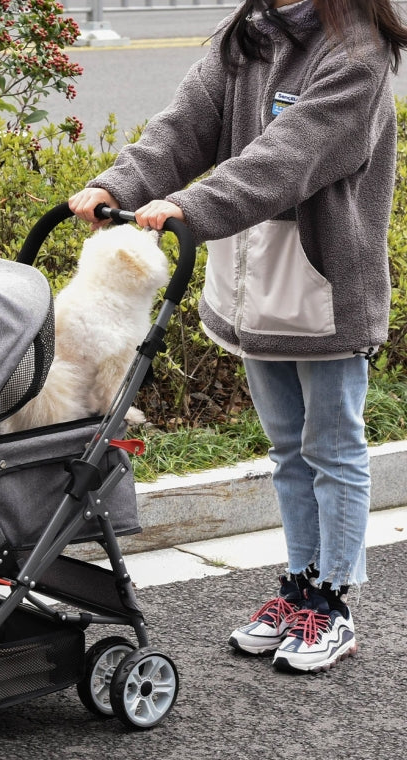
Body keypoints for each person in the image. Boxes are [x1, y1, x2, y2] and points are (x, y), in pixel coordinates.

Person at [69, 0, 407, 673]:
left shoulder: (357, 56)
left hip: (322, 287)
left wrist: (191, 206)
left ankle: (332, 603)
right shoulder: (246, 36)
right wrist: (119, 184)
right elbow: (183, 127)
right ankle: (300, 584)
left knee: (332, 448)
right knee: (287, 450)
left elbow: (289, 157)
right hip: (254, 282)